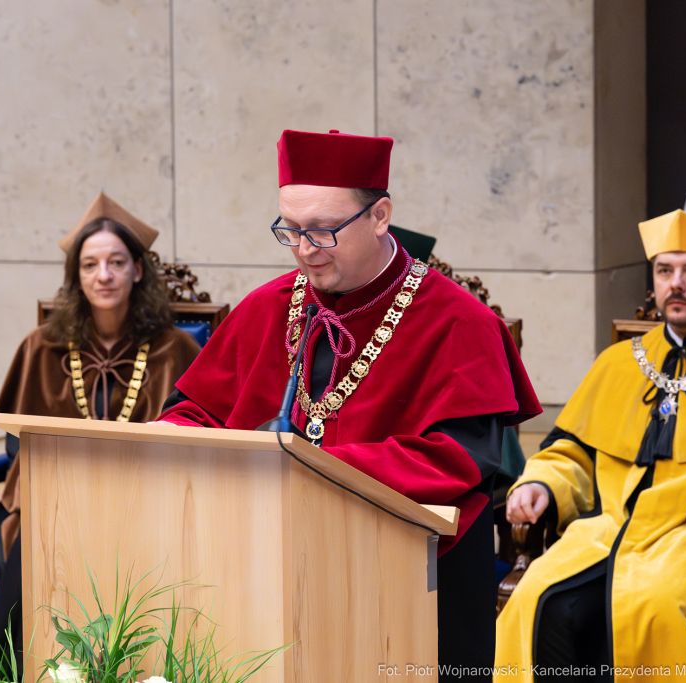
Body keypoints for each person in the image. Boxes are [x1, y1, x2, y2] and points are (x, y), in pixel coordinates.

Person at [158, 129, 541, 679]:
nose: (304, 249)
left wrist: (307, 466)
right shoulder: (267, 306)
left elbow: (460, 458)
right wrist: (174, 439)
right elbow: (193, 410)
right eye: (289, 230)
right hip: (267, 560)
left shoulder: (459, 322)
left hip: (415, 571)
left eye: (323, 231)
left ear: (381, 215)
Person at [496, 210, 686, 683]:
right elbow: (570, 452)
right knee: (535, 602)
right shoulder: (617, 362)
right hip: (604, 528)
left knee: (649, 608)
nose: (676, 284)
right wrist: (542, 485)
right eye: (664, 270)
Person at [0, 192, 201, 677]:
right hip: (52, 497)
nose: (104, 275)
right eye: (91, 264)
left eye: (116, 262)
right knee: (41, 532)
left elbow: (196, 435)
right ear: (76, 275)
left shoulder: (174, 347)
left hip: (146, 498)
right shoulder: (43, 345)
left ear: (138, 269)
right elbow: (17, 440)